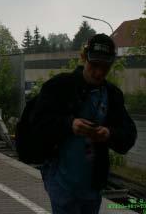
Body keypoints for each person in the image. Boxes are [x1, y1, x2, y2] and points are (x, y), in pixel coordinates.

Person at [31, 34, 137, 214]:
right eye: (94, 65)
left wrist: (109, 134)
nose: (99, 72)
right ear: (83, 57)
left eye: (105, 67)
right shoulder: (59, 86)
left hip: (93, 185)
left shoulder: (112, 94)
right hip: (61, 180)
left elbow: (129, 134)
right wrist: (69, 124)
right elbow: (37, 124)